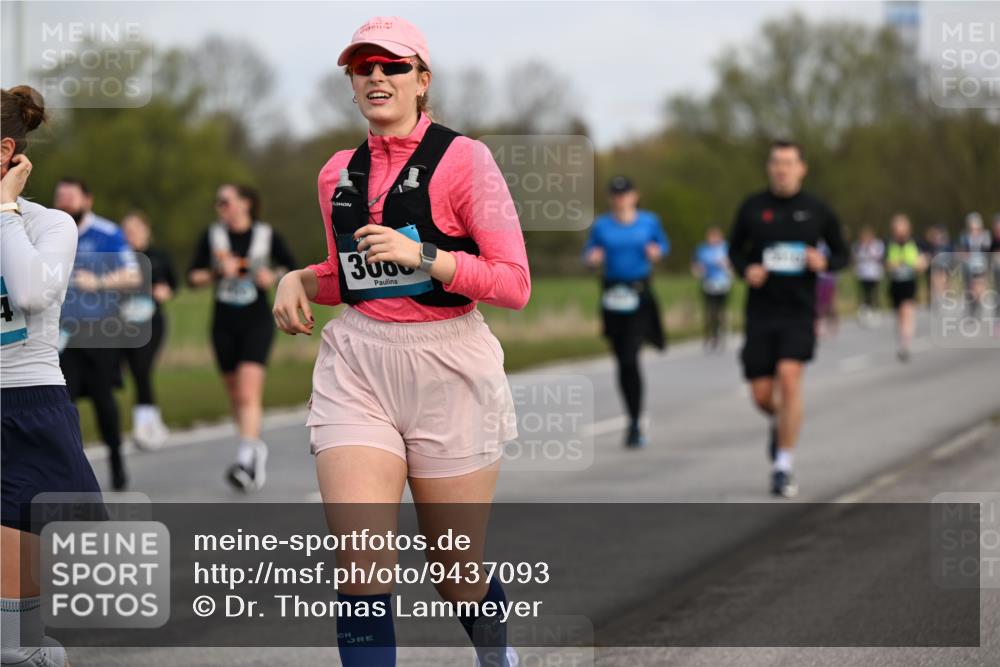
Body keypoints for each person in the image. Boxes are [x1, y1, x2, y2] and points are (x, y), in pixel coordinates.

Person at [271, 16, 529, 667]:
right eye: (364, 67)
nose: (377, 77)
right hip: (358, 364)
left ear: (422, 79)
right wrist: (298, 278)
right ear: (352, 82)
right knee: (360, 558)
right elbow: (349, 277)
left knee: (454, 569)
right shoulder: (337, 173)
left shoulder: (465, 160)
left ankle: (496, 653)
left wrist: (429, 256)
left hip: (449, 363)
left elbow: (513, 283)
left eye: (392, 65)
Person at [1, 85, 102, 667]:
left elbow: (33, 291)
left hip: (24, 409)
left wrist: (5, 211)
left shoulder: (50, 225)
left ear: (6, 150)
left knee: (14, 648)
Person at [728, 140, 848, 498]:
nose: (782, 169)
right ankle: (781, 423)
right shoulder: (752, 208)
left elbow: (843, 253)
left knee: (790, 376)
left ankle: (783, 466)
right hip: (761, 312)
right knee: (762, 394)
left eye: (789, 163)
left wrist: (824, 263)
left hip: (799, 310)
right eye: (777, 162)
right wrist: (746, 268)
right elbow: (734, 250)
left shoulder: (817, 210)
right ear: (769, 168)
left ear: (801, 168)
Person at [187, 184, 295, 492]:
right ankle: (252, 446)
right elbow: (192, 276)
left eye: (225, 201)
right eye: (217, 202)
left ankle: (245, 460)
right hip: (223, 321)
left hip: (256, 320)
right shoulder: (213, 236)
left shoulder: (266, 235)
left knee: (248, 391)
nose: (220, 207)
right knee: (236, 394)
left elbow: (292, 267)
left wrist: (272, 277)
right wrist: (218, 272)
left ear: (245, 203)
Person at [54, 178, 141, 491]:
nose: (64, 204)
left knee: (104, 401)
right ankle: (70, 471)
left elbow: (132, 275)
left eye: (70, 198)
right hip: (61, 333)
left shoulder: (107, 233)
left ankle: (117, 462)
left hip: (100, 331)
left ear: (87, 201)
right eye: (59, 198)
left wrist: (99, 282)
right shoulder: (50, 231)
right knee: (63, 403)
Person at [583, 176, 669, 447]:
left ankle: (634, 420)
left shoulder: (649, 222)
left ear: (634, 196)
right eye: (615, 195)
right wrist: (592, 259)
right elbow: (588, 254)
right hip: (612, 294)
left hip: (639, 294)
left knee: (631, 358)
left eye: (625, 194)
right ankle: (633, 417)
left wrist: (656, 252)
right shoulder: (602, 225)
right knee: (622, 360)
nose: (620, 199)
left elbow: (663, 246)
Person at [120, 211, 176, 450]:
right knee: (132, 372)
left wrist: (164, 291)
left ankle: (143, 426)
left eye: (135, 229)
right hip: (122, 324)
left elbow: (173, 284)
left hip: (151, 322)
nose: (131, 235)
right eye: (126, 230)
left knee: (142, 369)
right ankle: (152, 423)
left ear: (147, 230)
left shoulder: (159, 257)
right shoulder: (118, 257)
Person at [885, 213, 927, 362]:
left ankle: (905, 344)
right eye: (897, 230)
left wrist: (915, 264)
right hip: (896, 284)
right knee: (899, 315)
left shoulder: (915, 243)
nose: (900, 233)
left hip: (910, 283)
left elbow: (923, 263)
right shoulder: (889, 244)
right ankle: (903, 339)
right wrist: (893, 264)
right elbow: (885, 265)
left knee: (907, 311)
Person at [691, 225, 731, 350]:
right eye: (710, 236)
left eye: (715, 236)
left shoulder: (725, 248)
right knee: (709, 310)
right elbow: (695, 265)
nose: (712, 239)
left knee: (720, 310)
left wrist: (725, 264)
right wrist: (698, 271)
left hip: (723, 282)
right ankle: (710, 335)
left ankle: (721, 331)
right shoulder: (702, 249)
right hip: (708, 282)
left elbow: (732, 264)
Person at [956, 212, 992, 317]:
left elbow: (988, 251)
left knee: (979, 287)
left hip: (981, 265)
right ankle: (972, 307)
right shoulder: (964, 236)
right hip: (968, 266)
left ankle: (978, 306)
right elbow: (961, 250)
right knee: (970, 288)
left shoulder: (985, 236)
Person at [851, 226, 884, 326]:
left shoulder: (877, 244)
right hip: (863, 274)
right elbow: (855, 258)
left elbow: (878, 256)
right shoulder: (857, 246)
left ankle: (876, 309)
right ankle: (866, 311)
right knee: (864, 293)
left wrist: (869, 248)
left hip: (874, 273)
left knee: (874, 292)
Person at [923, 224, 953, 310]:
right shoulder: (930, 245)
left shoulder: (946, 245)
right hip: (933, 266)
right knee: (933, 281)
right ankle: (935, 299)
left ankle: (942, 297)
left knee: (943, 280)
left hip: (943, 265)